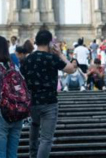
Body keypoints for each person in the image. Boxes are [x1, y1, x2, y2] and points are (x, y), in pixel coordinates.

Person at [20, 29, 74, 158]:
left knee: (33, 131)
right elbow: (71, 69)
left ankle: (32, 155)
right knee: (46, 139)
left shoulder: (28, 59)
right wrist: (60, 54)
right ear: (50, 43)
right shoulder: (52, 58)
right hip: (49, 102)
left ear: (36, 42)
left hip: (32, 102)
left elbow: (22, 75)